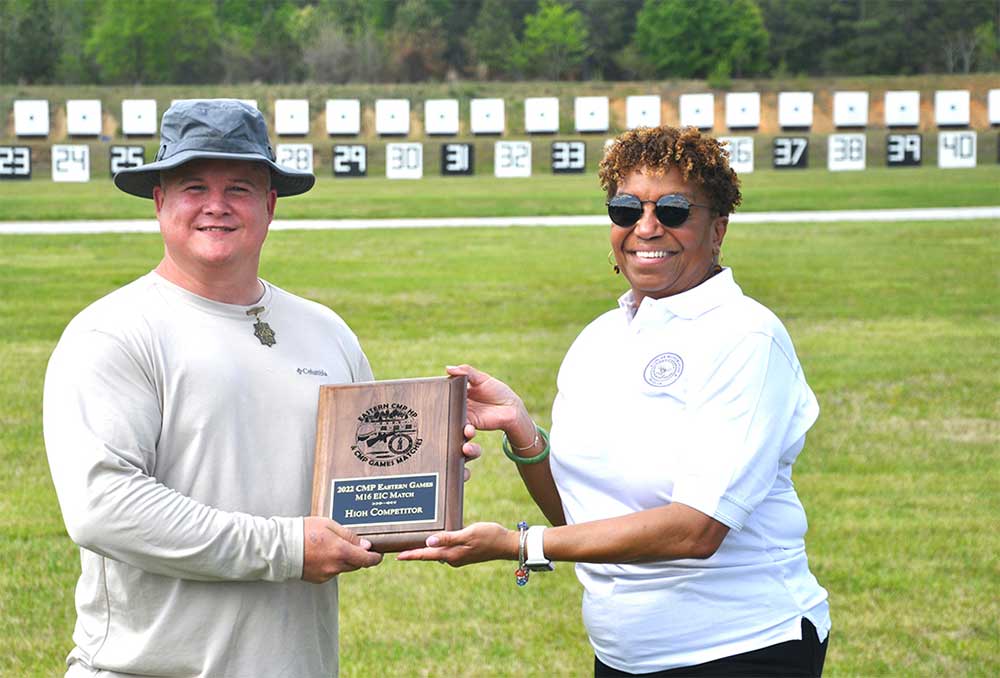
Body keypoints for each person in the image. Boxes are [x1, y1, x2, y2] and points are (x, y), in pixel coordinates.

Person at [43, 100, 477, 677]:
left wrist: (428, 472)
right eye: (194, 186)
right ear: (160, 201)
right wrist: (288, 548)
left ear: (270, 205)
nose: (217, 206)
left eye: (241, 188)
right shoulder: (114, 333)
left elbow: (361, 484)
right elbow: (105, 509)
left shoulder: (325, 332)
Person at [399, 126, 831, 676]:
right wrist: (522, 432)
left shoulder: (746, 336)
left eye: (673, 210)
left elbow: (697, 530)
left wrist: (519, 546)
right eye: (626, 208)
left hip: (742, 648)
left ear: (717, 229)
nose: (646, 227)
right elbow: (580, 520)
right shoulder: (599, 338)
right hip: (624, 656)